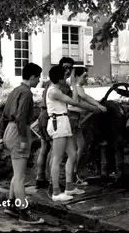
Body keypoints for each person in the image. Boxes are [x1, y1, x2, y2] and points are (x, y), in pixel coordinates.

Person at [0, 63, 45, 224]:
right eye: (38, 77)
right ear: (32, 77)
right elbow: (21, 118)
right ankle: (24, 212)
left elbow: (3, 116)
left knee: (16, 173)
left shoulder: (15, 90)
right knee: (20, 177)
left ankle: (11, 204)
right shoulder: (26, 93)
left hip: (9, 132)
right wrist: (24, 140)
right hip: (19, 133)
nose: (39, 80)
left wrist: (1, 137)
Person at [45, 66, 99, 202]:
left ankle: (69, 187)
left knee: (73, 153)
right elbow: (74, 101)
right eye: (65, 76)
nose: (67, 78)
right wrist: (74, 85)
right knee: (57, 159)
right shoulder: (53, 91)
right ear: (60, 78)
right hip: (58, 122)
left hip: (63, 121)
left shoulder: (57, 90)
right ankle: (56, 192)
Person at [35, 57, 74, 190]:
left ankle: (40, 178)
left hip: (43, 114)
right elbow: (73, 101)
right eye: (65, 68)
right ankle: (53, 182)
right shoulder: (63, 86)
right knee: (53, 150)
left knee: (44, 148)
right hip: (53, 117)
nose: (67, 71)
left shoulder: (49, 83)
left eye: (69, 68)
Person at [68, 66, 107, 186]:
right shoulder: (76, 88)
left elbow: (87, 98)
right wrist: (98, 106)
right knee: (75, 149)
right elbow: (85, 99)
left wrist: (98, 104)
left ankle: (75, 173)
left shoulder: (77, 87)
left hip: (76, 119)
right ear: (77, 77)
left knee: (81, 146)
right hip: (72, 118)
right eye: (84, 76)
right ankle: (73, 174)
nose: (87, 78)